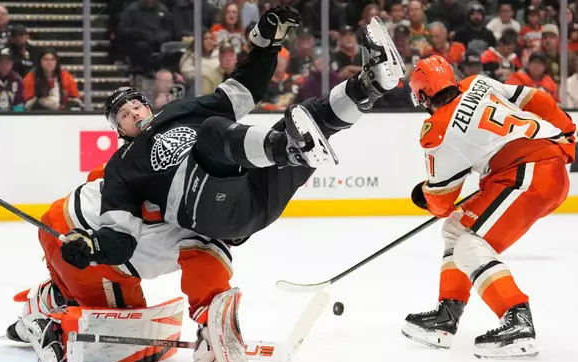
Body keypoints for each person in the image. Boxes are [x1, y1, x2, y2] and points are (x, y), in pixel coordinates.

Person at [59, 6, 404, 269]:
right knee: (213, 133)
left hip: (255, 196)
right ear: (119, 130)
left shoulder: (178, 111)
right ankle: (288, 148)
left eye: (136, 105)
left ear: (148, 105)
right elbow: (121, 236)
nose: (133, 112)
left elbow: (240, 92)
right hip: (212, 212)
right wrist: (93, 249)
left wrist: (265, 48)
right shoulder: (121, 164)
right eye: (123, 114)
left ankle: (371, 85)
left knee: (310, 115)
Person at [6, 126, 238, 362]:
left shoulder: (149, 159)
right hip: (91, 257)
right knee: (126, 336)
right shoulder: (206, 236)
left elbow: (100, 175)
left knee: (106, 279)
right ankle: (52, 329)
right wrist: (213, 330)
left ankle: (56, 295)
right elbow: (210, 286)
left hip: (60, 226)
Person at [402, 55, 576, 359]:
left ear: (421, 95)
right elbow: (536, 97)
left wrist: (424, 196)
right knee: (455, 228)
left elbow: (442, 202)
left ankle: (517, 319)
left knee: (470, 245)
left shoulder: (437, 130)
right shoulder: (477, 83)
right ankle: (447, 315)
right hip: (535, 169)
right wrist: (567, 132)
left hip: (528, 174)